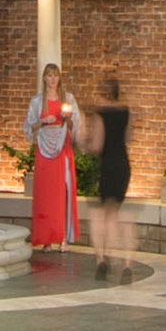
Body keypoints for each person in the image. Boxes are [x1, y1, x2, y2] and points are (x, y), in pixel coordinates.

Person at [24, 62, 80, 259]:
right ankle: (46, 238)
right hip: (44, 149)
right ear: (44, 79)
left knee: (62, 192)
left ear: (59, 79)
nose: (52, 79)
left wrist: (67, 118)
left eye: (55, 75)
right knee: (46, 193)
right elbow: (28, 126)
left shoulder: (68, 99)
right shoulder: (37, 101)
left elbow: (76, 126)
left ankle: (63, 237)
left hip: (62, 148)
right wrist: (42, 122)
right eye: (49, 75)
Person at [86, 70, 136, 282]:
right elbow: (128, 137)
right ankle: (126, 263)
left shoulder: (100, 114)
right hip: (123, 164)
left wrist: (83, 143)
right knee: (117, 211)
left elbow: (97, 145)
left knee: (103, 214)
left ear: (102, 93)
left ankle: (102, 259)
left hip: (108, 165)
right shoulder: (126, 112)